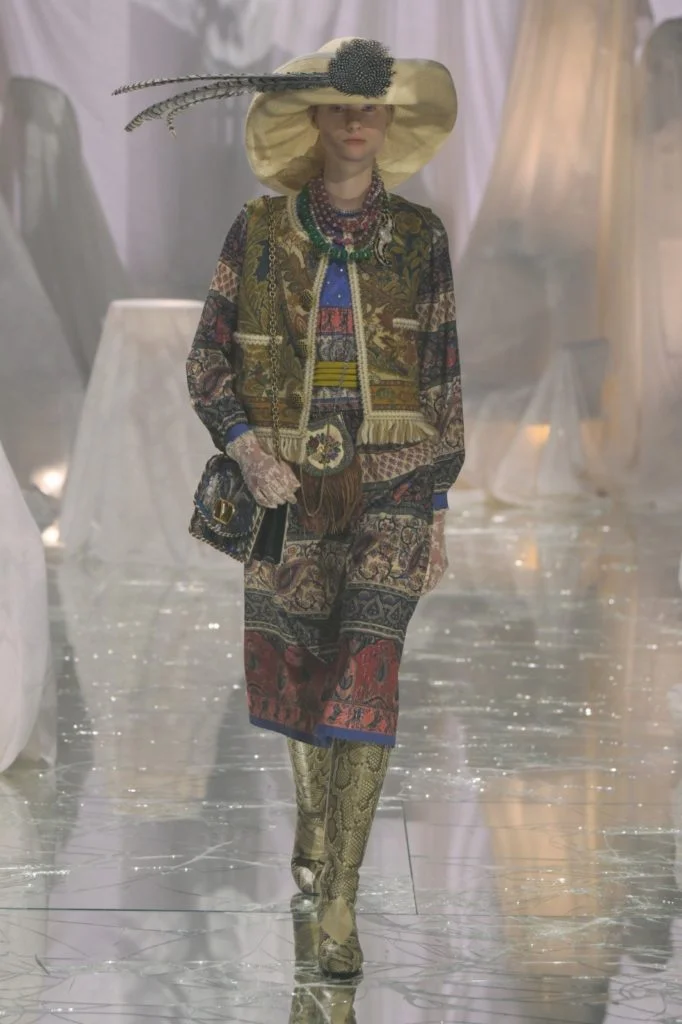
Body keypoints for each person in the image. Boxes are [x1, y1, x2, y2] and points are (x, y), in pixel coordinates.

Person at [119, 37, 463, 979]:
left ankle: (343, 894)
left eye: (371, 108)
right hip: (287, 482)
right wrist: (247, 449)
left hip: (395, 479)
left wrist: (437, 505)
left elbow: (442, 371)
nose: (355, 122)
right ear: (312, 119)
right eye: (339, 107)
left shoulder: (421, 237)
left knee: (368, 668)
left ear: (388, 122)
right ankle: (313, 822)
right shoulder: (260, 229)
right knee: (303, 664)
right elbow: (207, 358)